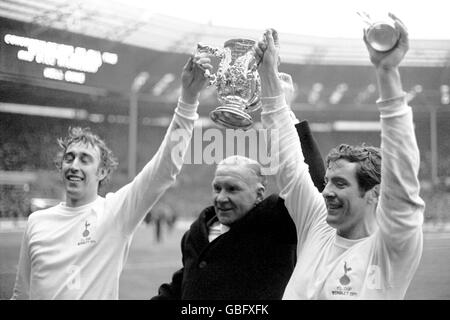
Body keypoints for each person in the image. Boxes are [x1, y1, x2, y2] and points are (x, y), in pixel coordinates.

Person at [11, 54, 213, 300]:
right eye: (69, 157)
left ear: (103, 171)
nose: (74, 165)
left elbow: (165, 168)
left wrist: (188, 99)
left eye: (85, 159)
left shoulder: (115, 213)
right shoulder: (36, 222)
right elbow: (21, 293)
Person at [255, 15, 425, 299]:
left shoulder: (391, 248)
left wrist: (387, 73)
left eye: (341, 184)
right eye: (329, 182)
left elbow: (403, 176)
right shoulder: (317, 224)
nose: (326, 192)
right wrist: (268, 77)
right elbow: (289, 164)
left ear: (374, 193)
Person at [151, 77, 325, 300]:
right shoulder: (196, 233)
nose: (221, 197)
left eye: (233, 189)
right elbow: (184, 283)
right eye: (217, 188)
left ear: (259, 194)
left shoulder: (278, 224)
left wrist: (286, 111)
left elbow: (314, 184)